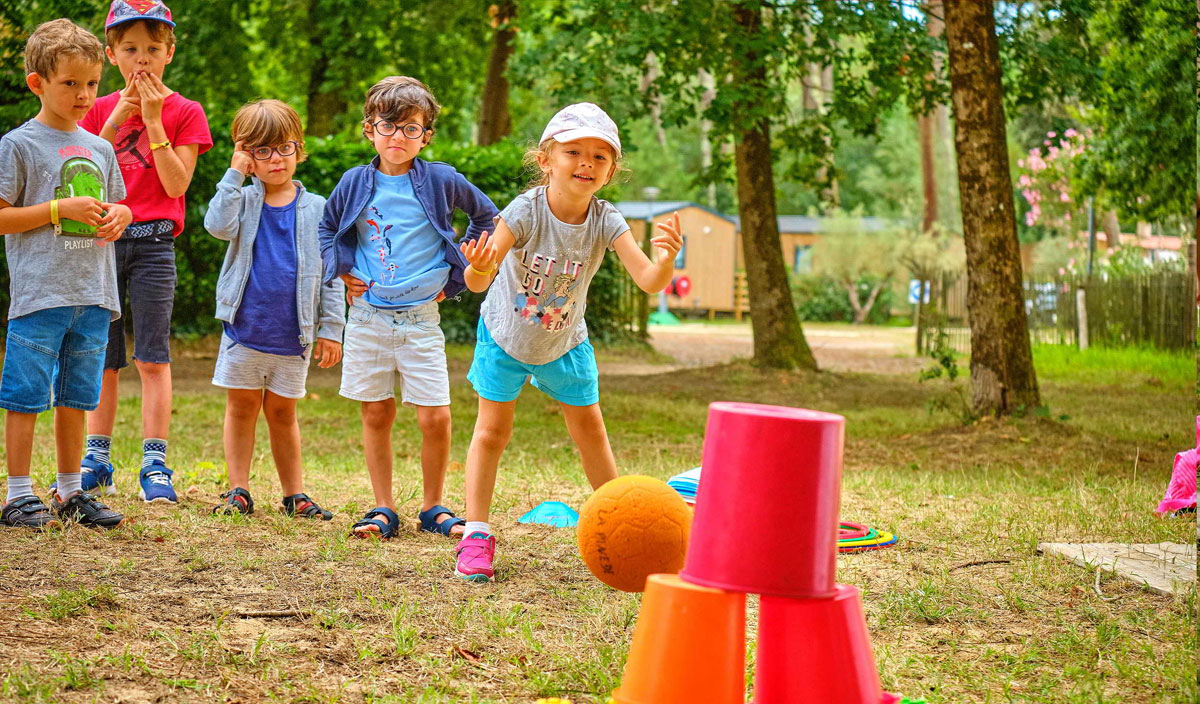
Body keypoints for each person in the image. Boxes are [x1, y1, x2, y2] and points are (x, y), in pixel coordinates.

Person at [453, 103, 683, 581]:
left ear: (611, 170)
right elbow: (479, 281)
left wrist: (665, 261)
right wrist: (477, 265)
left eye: (600, 157)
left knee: (591, 433)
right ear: (546, 160)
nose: (587, 163)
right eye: (574, 151)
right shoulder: (526, 210)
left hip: (565, 342)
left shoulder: (606, 219)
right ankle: (476, 533)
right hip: (505, 336)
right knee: (492, 433)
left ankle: (625, 525)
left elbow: (648, 280)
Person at [318, 76, 498, 539]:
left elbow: (487, 217)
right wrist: (339, 268)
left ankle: (434, 505)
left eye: (411, 129)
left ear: (426, 135)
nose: (398, 137)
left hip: (421, 319)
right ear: (369, 129)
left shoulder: (440, 179)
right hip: (368, 317)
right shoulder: (354, 182)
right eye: (388, 126)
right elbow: (326, 228)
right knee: (376, 412)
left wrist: (456, 276)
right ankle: (382, 508)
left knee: (434, 413)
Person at [78, 0, 212, 504]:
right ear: (111, 54)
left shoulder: (185, 112)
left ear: (169, 53)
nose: (142, 61)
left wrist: (154, 120)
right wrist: (119, 114)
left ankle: (155, 463)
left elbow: (177, 183)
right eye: (130, 49)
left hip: (154, 244)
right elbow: (80, 164)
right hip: (100, 243)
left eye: (152, 50)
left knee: (153, 357)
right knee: (102, 358)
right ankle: (97, 458)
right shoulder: (93, 108)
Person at [0, 19, 133, 529]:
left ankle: (71, 491)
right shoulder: (18, 145)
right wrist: (58, 209)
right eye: (70, 83)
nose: (84, 95)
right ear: (37, 83)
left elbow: (116, 207)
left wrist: (121, 216)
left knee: (78, 395)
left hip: (95, 293)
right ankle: (16, 495)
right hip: (39, 296)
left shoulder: (100, 147)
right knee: (25, 396)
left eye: (93, 84)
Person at [204, 99, 345, 519]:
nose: (275, 159)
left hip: (294, 334)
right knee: (241, 408)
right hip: (244, 330)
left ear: (299, 149)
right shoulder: (242, 201)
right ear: (247, 155)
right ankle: (238, 490)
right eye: (261, 151)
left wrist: (332, 328)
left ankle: (294, 494)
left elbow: (331, 274)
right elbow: (216, 225)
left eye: (283, 147)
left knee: (283, 413)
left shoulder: (319, 208)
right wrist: (233, 173)